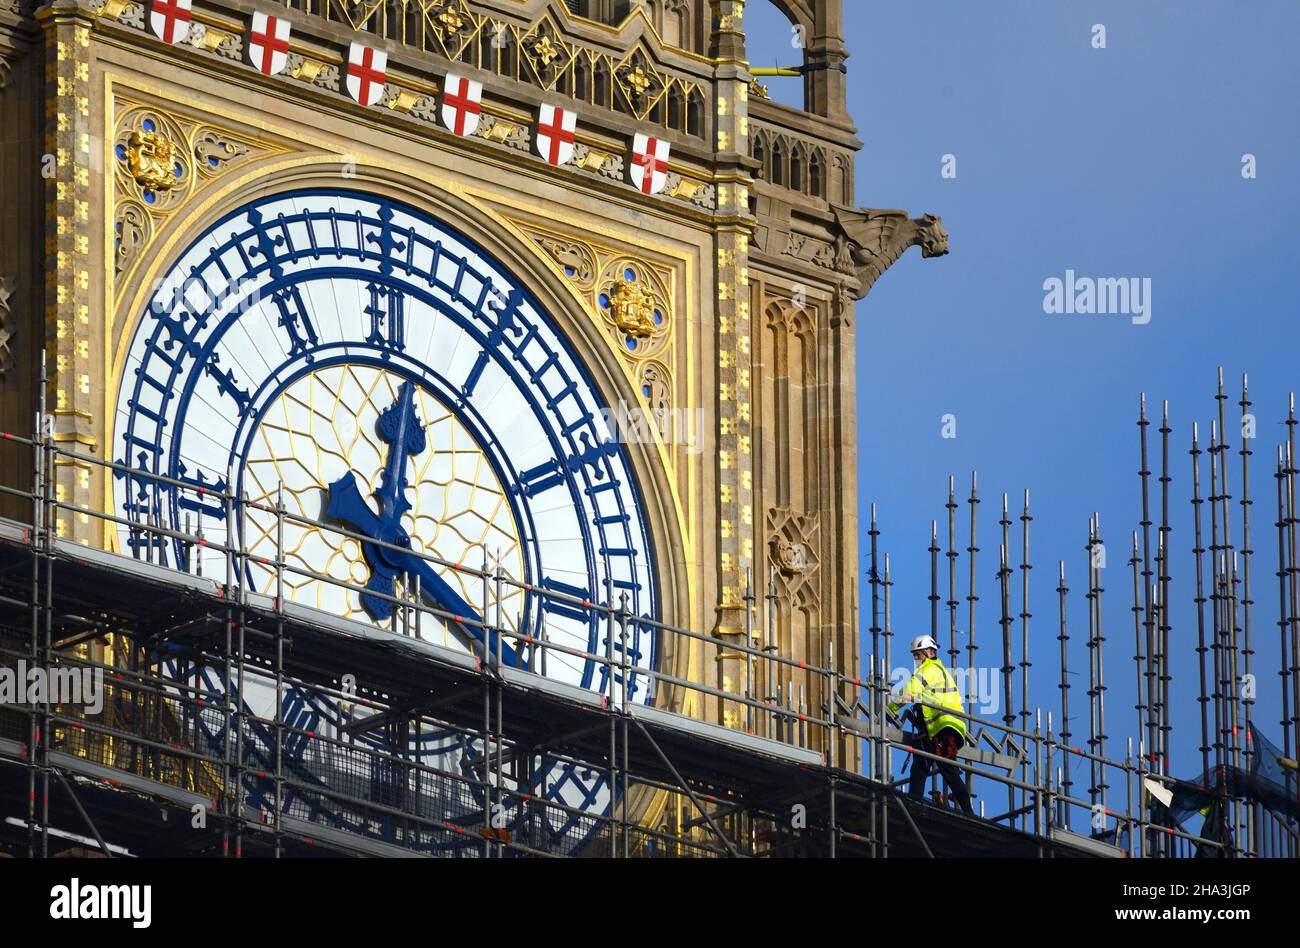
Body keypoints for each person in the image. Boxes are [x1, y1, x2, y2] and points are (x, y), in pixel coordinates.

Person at [888, 635, 974, 814]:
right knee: (920, 765)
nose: (916, 659)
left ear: (928, 653)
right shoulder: (941, 671)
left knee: (947, 768)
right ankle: (914, 804)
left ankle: (967, 810)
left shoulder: (929, 669)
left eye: (917, 655)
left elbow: (910, 690)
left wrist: (891, 708)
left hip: (943, 728)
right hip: (944, 727)